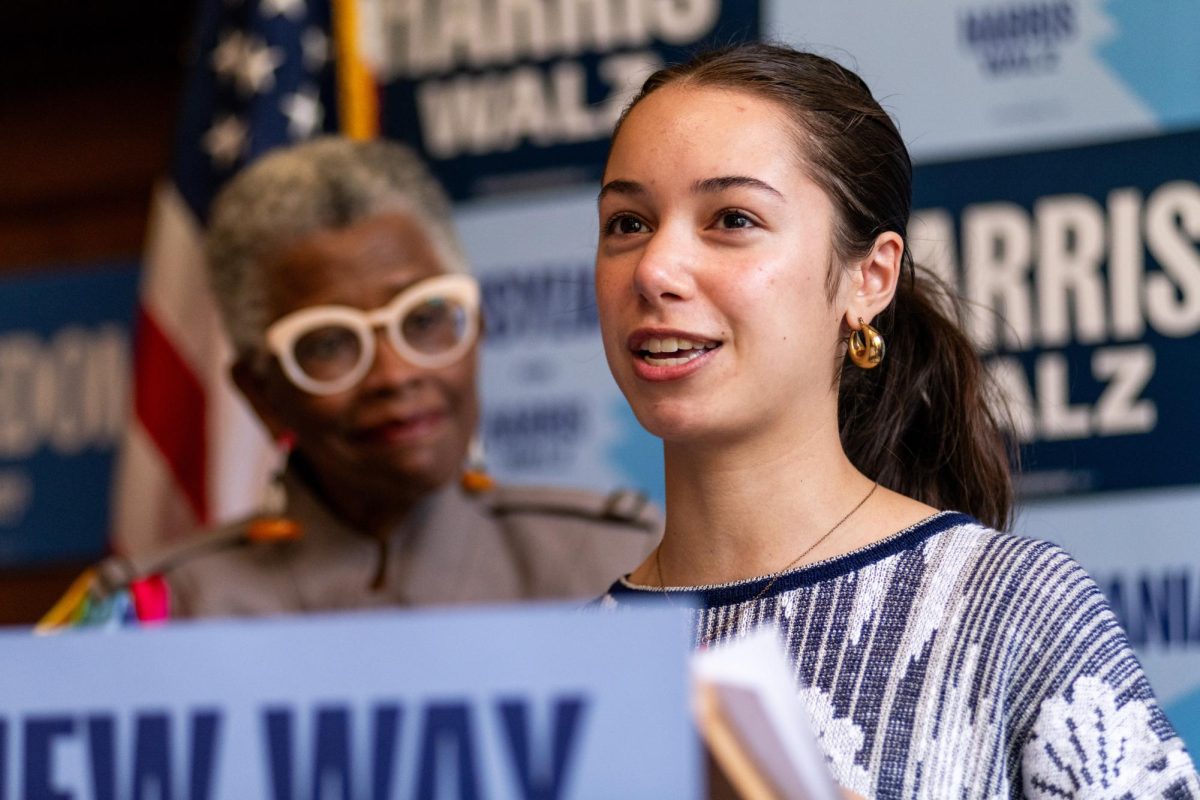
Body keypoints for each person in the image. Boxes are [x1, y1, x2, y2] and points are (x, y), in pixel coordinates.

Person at [593, 42, 1198, 798]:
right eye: (626, 223)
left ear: (869, 277)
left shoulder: (1010, 611)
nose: (654, 269)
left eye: (732, 218)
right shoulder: (562, 670)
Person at [42, 136, 658, 627]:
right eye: (331, 344)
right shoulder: (159, 613)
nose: (394, 374)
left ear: (477, 327)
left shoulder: (629, 564)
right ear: (261, 393)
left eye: (423, 318)